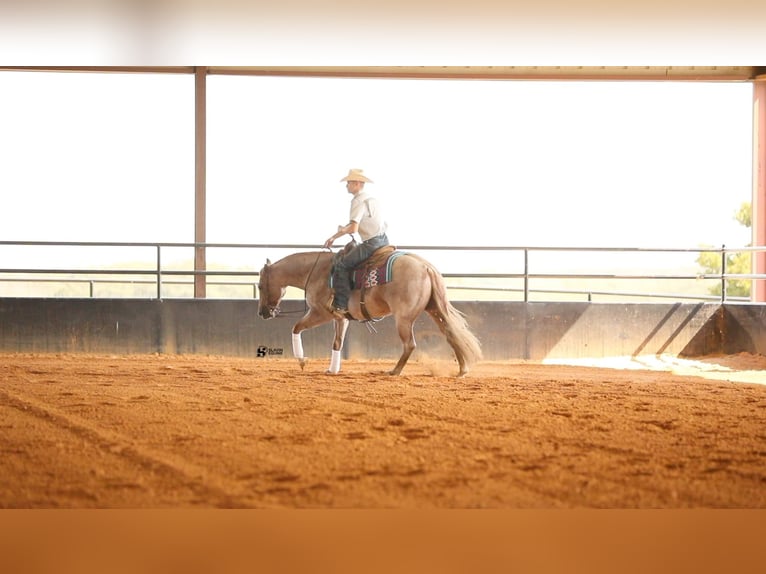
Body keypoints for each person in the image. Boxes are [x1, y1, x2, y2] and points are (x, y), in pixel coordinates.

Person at [323, 168, 389, 318]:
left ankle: (340, 305)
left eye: (349, 182)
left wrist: (339, 234)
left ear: (358, 184)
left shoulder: (357, 201)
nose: (347, 185)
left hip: (371, 243)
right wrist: (335, 236)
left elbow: (353, 228)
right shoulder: (372, 199)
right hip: (383, 240)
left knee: (341, 265)